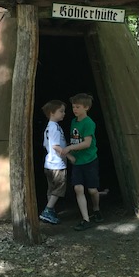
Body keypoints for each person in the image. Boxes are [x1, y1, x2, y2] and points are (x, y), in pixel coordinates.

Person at [62, 93, 103, 231]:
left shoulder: (89, 123)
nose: (75, 109)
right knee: (78, 188)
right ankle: (86, 219)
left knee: (92, 190)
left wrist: (70, 148)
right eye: (73, 107)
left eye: (78, 107)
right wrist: (71, 154)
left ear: (86, 108)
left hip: (90, 160)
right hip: (78, 162)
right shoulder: (74, 121)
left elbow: (87, 143)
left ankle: (96, 209)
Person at [39, 100, 74, 225]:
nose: (64, 113)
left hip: (49, 164)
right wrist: (69, 156)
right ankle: (47, 211)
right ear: (52, 113)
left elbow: (46, 145)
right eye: (61, 111)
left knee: (51, 189)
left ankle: (51, 211)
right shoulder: (54, 127)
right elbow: (55, 146)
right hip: (57, 164)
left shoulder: (49, 127)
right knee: (59, 189)